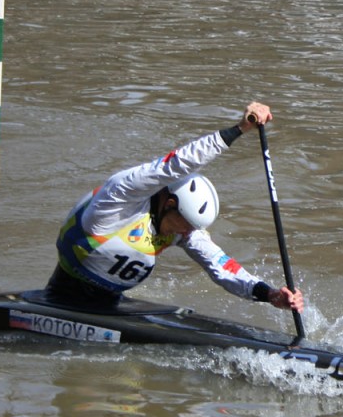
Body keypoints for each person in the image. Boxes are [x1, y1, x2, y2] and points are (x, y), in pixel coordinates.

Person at [44, 102, 305, 314]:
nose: (189, 232)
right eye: (187, 224)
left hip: (110, 301)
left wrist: (269, 294)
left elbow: (221, 266)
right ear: (169, 204)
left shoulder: (183, 227)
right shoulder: (118, 199)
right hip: (62, 295)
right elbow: (176, 164)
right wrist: (240, 129)